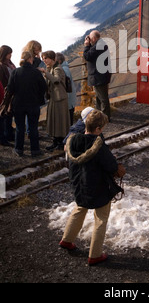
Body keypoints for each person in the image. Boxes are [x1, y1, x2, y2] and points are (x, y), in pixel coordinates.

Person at [59, 110, 125, 266]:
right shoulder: (98, 145)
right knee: (101, 219)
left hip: (79, 186)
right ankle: (95, 255)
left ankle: (67, 240)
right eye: (102, 128)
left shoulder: (73, 141)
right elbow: (111, 166)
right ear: (97, 129)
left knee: (79, 209)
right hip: (98, 188)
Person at [6, 51, 47, 157]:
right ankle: (35, 150)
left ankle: (19, 149)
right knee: (33, 127)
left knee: (20, 127)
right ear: (30, 59)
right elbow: (44, 87)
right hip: (33, 103)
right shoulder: (36, 72)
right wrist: (38, 97)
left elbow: (10, 88)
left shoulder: (15, 72)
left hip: (18, 103)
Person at [39, 51, 70, 151]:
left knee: (60, 120)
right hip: (54, 97)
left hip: (60, 98)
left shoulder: (58, 68)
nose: (44, 60)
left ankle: (60, 142)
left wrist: (45, 73)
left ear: (52, 59)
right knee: (54, 120)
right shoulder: (51, 68)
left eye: (46, 58)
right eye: (43, 58)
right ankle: (56, 141)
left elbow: (56, 79)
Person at [83, 30, 111, 121]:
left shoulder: (98, 46)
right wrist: (89, 45)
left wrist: (86, 46)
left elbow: (87, 56)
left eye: (90, 39)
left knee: (102, 98)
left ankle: (105, 118)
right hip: (101, 75)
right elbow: (92, 52)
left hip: (99, 76)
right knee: (99, 97)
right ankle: (99, 117)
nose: (90, 40)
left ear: (94, 38)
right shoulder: (100, 44)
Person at [0, 45, 16, 145]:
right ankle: (6, 136)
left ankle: (9, 134)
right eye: (9, 53)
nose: (10, 55)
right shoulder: (1, 66)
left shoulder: (10, 64)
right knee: (5, 115)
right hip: (6, 93)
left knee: (10, 114)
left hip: (12, 93)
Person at [56, 52, 77, 125]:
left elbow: (66, 85)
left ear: (59, 61)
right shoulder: (65, 68)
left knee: (68, 119)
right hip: (70, 99)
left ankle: (68, 134)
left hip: (67, 100)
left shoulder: (63, 70)